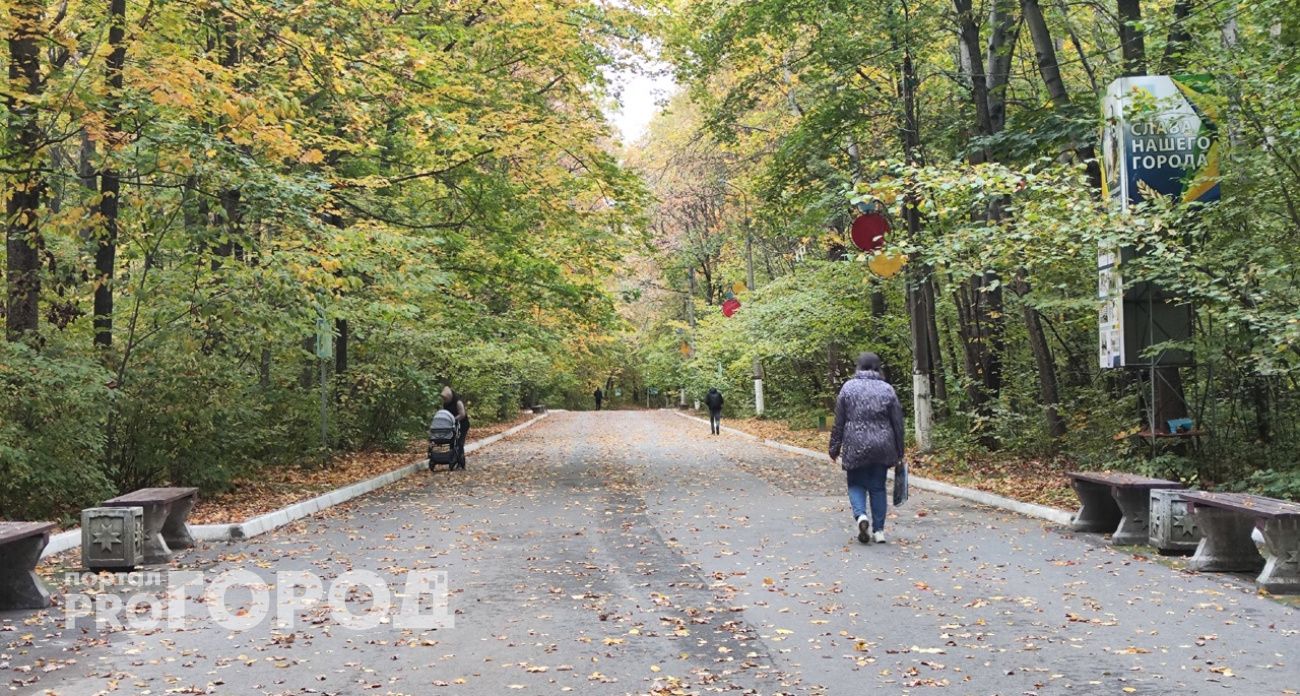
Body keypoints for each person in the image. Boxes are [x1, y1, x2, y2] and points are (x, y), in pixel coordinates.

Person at [828, 352, 904, 544]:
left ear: (858, 367)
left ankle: (861, 516)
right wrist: (900, 450)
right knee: (878, 488)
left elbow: (839, 422)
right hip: (882, 445)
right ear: (878, 368)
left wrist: (834, 447)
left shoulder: (848, 388)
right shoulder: (887, 389)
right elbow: (898, 423)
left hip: (855, 444)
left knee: (855, 484)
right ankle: (879, 532)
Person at [441, 386, 469, 470]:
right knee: (452, 442)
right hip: (451, 424)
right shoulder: (445, 404)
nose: (445, 401)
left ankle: (461, 462)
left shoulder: (458, 402)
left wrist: (453, 419)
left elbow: (462, 414)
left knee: (460, 443)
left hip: (462, 424)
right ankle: (453, 458)